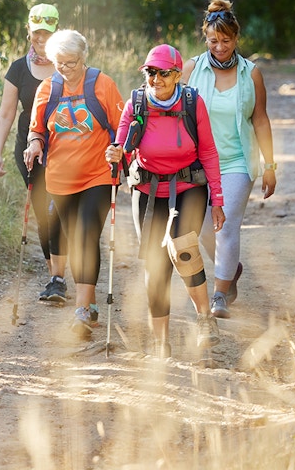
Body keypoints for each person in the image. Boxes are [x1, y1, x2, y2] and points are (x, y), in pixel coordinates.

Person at [106, 44, 226, 359]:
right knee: (156, 265)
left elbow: (208, 151)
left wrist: (217, 199)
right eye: (151, 72)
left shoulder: (192, 103)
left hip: (189, 185)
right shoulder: (136, 104)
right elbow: (122, 145)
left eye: (163, 73)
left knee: (183, 248)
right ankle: (161, 342)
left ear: (177, 75)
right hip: (148, 189)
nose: (156, 79)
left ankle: (205, 319)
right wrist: (115, 154)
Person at [181, 0, 277, 320]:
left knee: (225, 225)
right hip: (197, 163)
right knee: (202, 229)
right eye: (213, 41)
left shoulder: (252, 74)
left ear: (236, 38)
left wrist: (270, 165)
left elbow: (260, 119)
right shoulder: (191, 69)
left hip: (237, 161)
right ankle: (230, 268)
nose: (219, 47)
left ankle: (219, 294)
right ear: (205, 38)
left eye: (226, 41)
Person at [23, 29, 123, 338]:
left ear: (84, 57)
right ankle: (89, 304)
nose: (66, 68)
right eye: (60, 63)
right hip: (60, 179)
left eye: (72, 62)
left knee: (85, 236)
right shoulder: (47, 89)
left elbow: (122, 127)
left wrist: (119, 150)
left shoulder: (103, 84)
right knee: (76, 240)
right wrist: (34, 144)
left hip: (98, 174)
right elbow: (37, 129)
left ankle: (80, 312)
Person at [0, 3, 68, 303]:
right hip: (29, 152)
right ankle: (56, 278)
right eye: (37, 32)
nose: (41, 38)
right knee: (44, 211)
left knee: (60, 211)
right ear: (29, 31)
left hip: (65, 150)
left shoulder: (67, 65)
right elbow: (6, 113)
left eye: (47, 32)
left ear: (57, 32)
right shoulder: (18, 69)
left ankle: (61, 273)